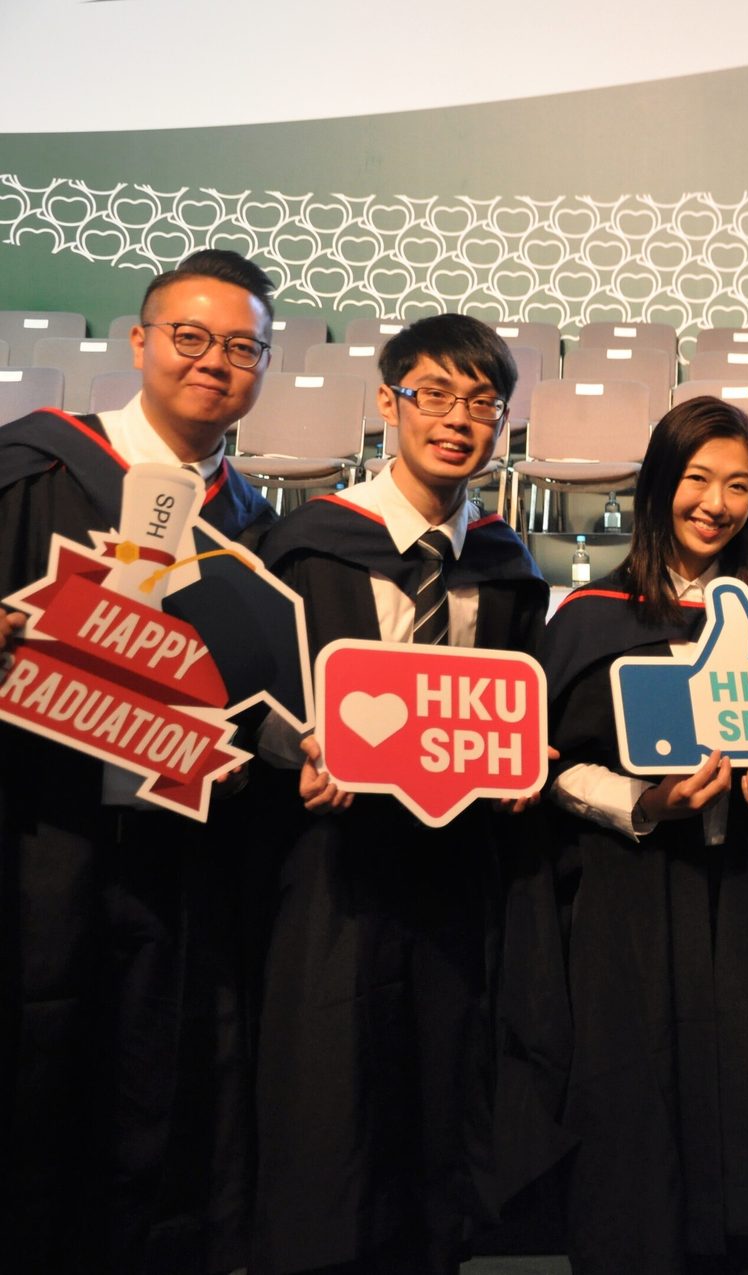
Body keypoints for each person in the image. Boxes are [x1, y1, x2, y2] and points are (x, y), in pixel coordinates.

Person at [491, 396, 748, 1273]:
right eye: (698, 478)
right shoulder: (592, 616)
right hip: (632, 902)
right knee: (639, 1131)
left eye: (738, 485)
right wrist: (643, 803)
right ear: (660, 484)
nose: (716, 504)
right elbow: (555, 769)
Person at [246, 313, 548, 1274]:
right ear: (389, 402)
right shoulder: (309, 543)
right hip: (333, 868)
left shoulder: (505, 563)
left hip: (453, 871)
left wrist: (521, 770)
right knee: (330, 1085)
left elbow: (514, 705)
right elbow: (255, 697)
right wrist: (293, 754)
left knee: (440, 1079)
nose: (457, 419)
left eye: (482, 403)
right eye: (435, 395)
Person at [0, 248, 278, 1271]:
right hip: (41, 835)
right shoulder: (33, 466)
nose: (214, 363)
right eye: (190, 338)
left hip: (179, 857)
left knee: (157, 1089)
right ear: (139, 342)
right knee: (34, 1078)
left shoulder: (251, 526)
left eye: (241, 348)